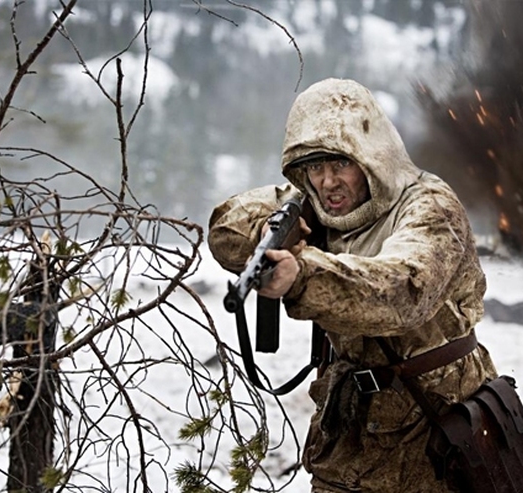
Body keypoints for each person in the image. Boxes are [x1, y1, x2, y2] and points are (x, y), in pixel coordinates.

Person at [207, 78, 498, 492]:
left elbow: (402, 291)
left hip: (435, 426)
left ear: (371, 158)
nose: (327, 182)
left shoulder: (430, 206)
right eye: (314, 168)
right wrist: (270, 233)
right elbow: (224, 229)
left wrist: (303, 274)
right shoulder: (310, 205)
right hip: (348, 430)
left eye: (339, 164)